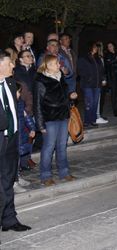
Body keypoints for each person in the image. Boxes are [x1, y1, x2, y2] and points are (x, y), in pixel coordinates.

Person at [0, 52, 32, 236]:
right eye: (9, 63)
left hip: (11, 139)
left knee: (8, 181)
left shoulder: (12, 83)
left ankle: (9, 219)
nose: (13, 66)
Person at [33, 54, 77, 186]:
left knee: (62, 146)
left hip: (63, 116)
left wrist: (70, 95)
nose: (59, 65)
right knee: (48, 147)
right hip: (49, 118)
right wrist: (40, 125)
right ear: (48, 65)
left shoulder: (60, 77)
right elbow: (37, 104)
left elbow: (63, 95)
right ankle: (45, 175)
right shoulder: (41, 81)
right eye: (56, 63)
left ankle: (64, 172)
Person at [77, 42, 107, 127]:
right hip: (88, 85)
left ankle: (93, 120)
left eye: (96, 47)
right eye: (94, 47)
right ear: (89, 47)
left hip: (97, 85)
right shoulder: (83, 58)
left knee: (95, 102)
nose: (96, 49)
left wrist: (103, 79)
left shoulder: (98, 58)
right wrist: (88, 77)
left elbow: (102, 70)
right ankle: (87, 121)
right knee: (89, 103)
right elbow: (80, 70)